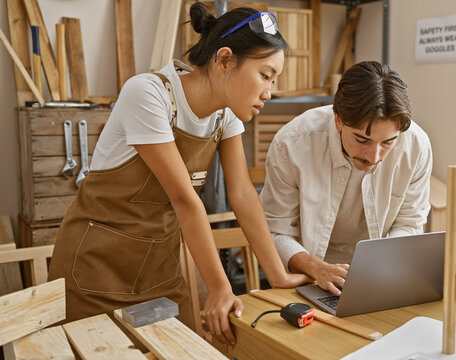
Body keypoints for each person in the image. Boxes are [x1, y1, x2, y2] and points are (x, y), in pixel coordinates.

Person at [47, 4, 309, 348]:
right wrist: (219, 287)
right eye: (265, 75)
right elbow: (184, 199)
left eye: (273, 80)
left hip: (159, 271)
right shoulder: (149, 94)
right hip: (94, 270)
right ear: (225, 59)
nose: (269, 92)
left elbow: (243, 194)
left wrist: (278, 275)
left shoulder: (224, 116)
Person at [260, 61, 432, 296]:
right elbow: (276, 232)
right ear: (338, 120)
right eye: (362, 140)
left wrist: (380, 265)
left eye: (388, 143)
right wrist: (317, 269)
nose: (374, 157)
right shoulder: (292, 144)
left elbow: (410, 224)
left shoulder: (416, 147)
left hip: (379, 276)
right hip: (307, 277)